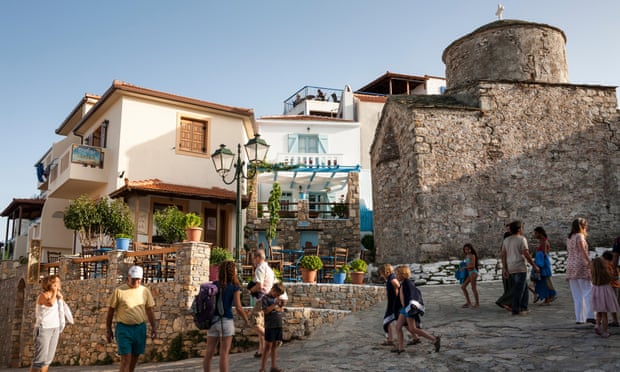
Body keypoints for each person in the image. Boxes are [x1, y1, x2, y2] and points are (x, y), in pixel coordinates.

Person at [106, 265, 157, 372]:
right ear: (128, 277)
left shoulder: (145, 291)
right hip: (124, 328)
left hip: (139, 328)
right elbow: (111, 311)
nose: (135, 281)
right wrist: (108, 329)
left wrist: (154, 328)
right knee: (126, 358)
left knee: (135, 357)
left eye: (138, 279)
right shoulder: (119, 291)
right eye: (133, 278)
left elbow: (149, 310)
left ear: (141, 279)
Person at [203, 260, 251, 372]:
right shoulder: (234, 286)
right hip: (226, 321)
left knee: (209, 351)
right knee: (224, 353)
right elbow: (238, 307)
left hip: (212, 321)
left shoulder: (214, 285)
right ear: (232, 272)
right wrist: (246, 319)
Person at [392, 266, 440, 354]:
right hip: (404, 309)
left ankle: (434, 339)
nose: (396, 276)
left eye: (398, 274)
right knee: (398, 327)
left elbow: (413, 295)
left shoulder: (408, 283)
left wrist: (413, 304)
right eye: (396, 274)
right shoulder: (403, 283)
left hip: (409, 308)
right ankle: (400, 347)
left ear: (403, 274)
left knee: (413, 328)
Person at [501, 220, 539, 316]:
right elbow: (526, 253)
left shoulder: (506, 241)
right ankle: (516, 309)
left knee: (523, 287)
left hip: (511, 267)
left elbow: (503, 255)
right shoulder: (522, 239)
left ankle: (524, 307)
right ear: (519, 229)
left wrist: (505, 268)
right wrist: (534, 265)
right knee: (519, 289)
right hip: (520, 267)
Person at [378, 264, 419, 347]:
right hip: (393, 303)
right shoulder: (390, 278)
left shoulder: (392, 278)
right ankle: (415, 337)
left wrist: (398, 297)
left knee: (388, 321)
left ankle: (391, 340)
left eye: (381, 273)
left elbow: (397, 286)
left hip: (394, 304)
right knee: (403, 323)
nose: (381, 275)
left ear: (385, 272)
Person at [31, 275, 65, 372]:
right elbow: (50, 304)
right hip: (43, 329)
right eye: (57, 282)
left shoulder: (57, 297)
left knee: (47, 360)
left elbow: (60, 311)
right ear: (51, 284)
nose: (59, 284)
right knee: (39, 360)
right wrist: (54, 292)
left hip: (55, 328)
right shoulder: (43, 296)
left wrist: (60, 298)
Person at [566, 218, 595, 324]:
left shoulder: (569, 237)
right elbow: (583, 251)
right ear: (582, 226)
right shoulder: (580, 236)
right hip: (581, 265)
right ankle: (590, 315)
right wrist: (590, 263)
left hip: (570, 265)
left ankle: (579, 318)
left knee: (577, 294)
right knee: (588, 291)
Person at [249, 249, 275, 359]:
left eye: (253, 258)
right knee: (261, 323)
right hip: (269, 299)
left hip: (262, 298)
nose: (252, 261)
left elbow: (259, 285)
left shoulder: (259, 269)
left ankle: (272, 339)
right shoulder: (269, 269)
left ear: (258, 258)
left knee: (254, 321)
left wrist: (251, 290)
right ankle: (261, 349)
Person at [590, 257, 620, 338]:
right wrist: (616, 276)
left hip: (596, 292)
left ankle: (597, 325)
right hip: (605, 292)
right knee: (604, 314)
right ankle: (605, 332)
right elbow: (612, 279)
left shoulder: (593, 273)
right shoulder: (605, 272)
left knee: (598, 312)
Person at [260, 282, 285, 372]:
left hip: (277, 324)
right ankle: (262, 368)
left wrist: (281, 305)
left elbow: (278, 310)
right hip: (270, 325)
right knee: (268, 346)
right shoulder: (265, 298)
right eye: (277, 294)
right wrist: (275, 304)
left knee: (275, 345)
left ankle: (273, 367)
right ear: (273, 290)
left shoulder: (276, 299)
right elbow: (266, 311)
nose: (277, 296)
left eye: (279, 295)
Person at [533, 227, 557, 305]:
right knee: (544, 282)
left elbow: (544, 254)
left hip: (543, 265)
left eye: (536, 233)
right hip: (542, 264)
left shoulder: (543, 241)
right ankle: (547, 299)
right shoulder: (542, 241)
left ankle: (549, 298)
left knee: (545, 282)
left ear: (540, 233)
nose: (535, 235)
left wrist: (539, 265)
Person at [496, 224, 514, 311]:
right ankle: (503, 301)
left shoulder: (505, 246)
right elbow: (504, 258)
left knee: (509, 287)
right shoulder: (506, 246)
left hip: (508, 268)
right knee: (510, 287)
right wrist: (505, 269)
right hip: (508, 269)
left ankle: (509, 304)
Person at [601, 251, 620, 327]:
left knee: (612, 305)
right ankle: (615, 320)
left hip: (612, 286)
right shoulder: (615, 265)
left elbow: (610, 276)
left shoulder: (608, 265)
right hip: (616, 286)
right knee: (615, 305)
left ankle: (615, 320)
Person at [460, 243, 480, 308]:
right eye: (465, 249)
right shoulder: (467, 256)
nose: (467, 251)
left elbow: (473, 266)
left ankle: (477, 303)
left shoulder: (472, 256)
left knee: (473, 288)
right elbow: (468, 264)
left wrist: (464, 268)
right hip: (469, 273)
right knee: (463, 287)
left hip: (473, 273)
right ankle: (468, 302)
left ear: (471, 249)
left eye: (468, 249)